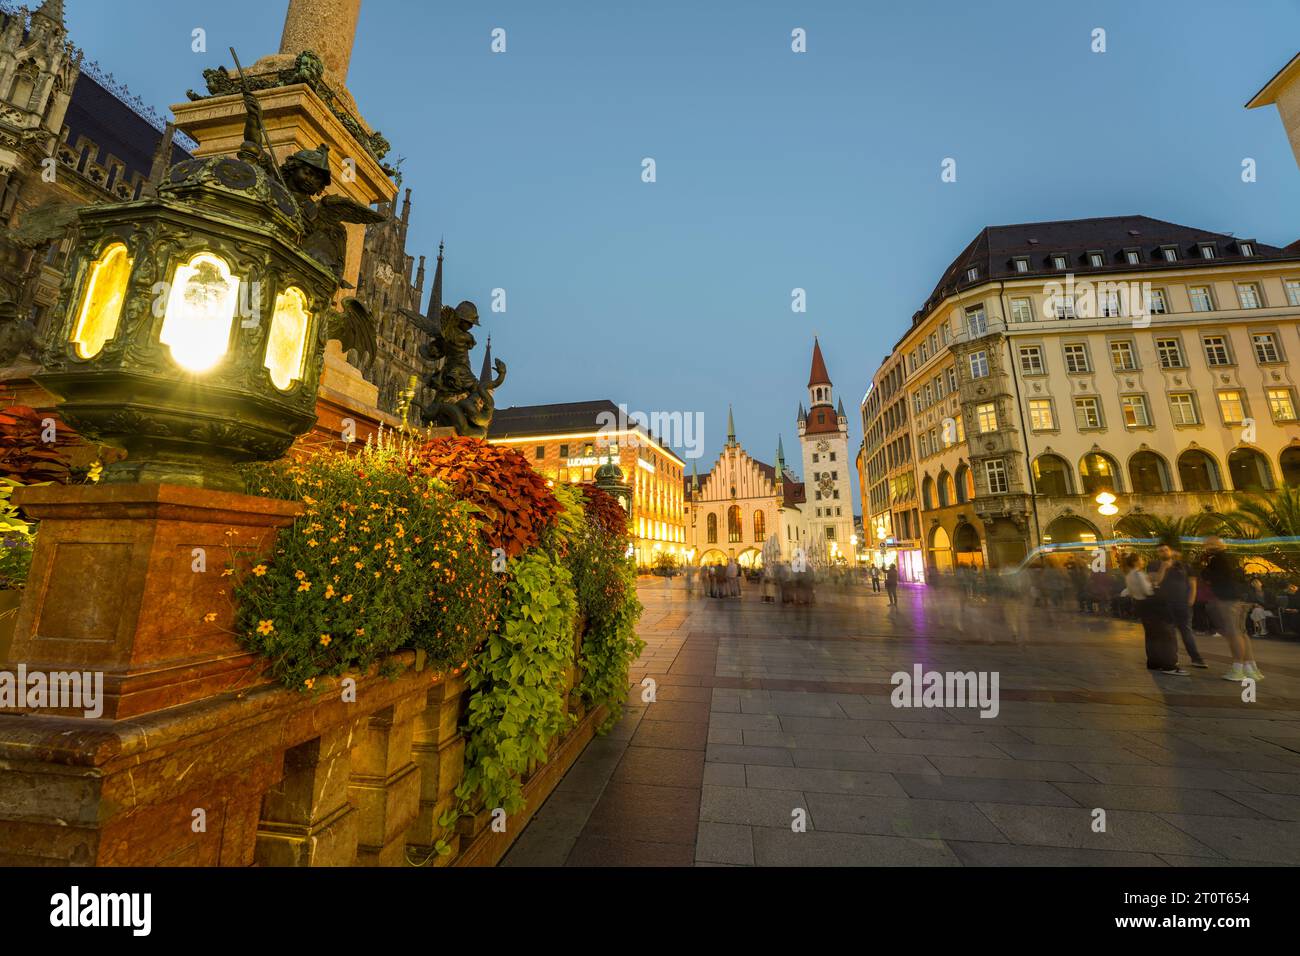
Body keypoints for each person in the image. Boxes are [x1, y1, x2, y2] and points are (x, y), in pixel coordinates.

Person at [1197, 536, 1263, 681]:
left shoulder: (1217, 559)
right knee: (1242, 633)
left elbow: (1212, 577)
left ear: (1212, 546)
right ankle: (1251, 668)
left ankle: (1237, 669)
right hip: (1239, 598)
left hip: (1227, 599)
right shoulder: (1231, 558)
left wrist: (1205, 569)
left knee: (1234, 634)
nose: (1205, 547)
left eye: (1206, 545)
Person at [1124, 552, 1185, 675]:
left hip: (1141, 607)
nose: (1142, 561)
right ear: (1136, 562)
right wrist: (1155, 584)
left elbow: (1129, 591)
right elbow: (1148, 591)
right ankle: (1169, 665)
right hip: (1153, 607)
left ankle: (1154, 662)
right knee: (1166, 635)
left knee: (1151, 635)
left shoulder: (1128, 575)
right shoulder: (1139, 574)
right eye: (1141, 559)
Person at [1150, 544, 1206, 668]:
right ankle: (1172, 659)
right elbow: (1155, 582)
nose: (1164, 552)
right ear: (1158, 554)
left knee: (1186, 631)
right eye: (1160, 551)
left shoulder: (1183, 566)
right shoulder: (1154, 565)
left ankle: (1196, 658)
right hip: (1165, 604)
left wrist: (1191, 598)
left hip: (1182, 603)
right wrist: (1163, 568)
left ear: (1171, 551)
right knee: (1169, 632)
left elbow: (1192, 583)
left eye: (1166, 550)